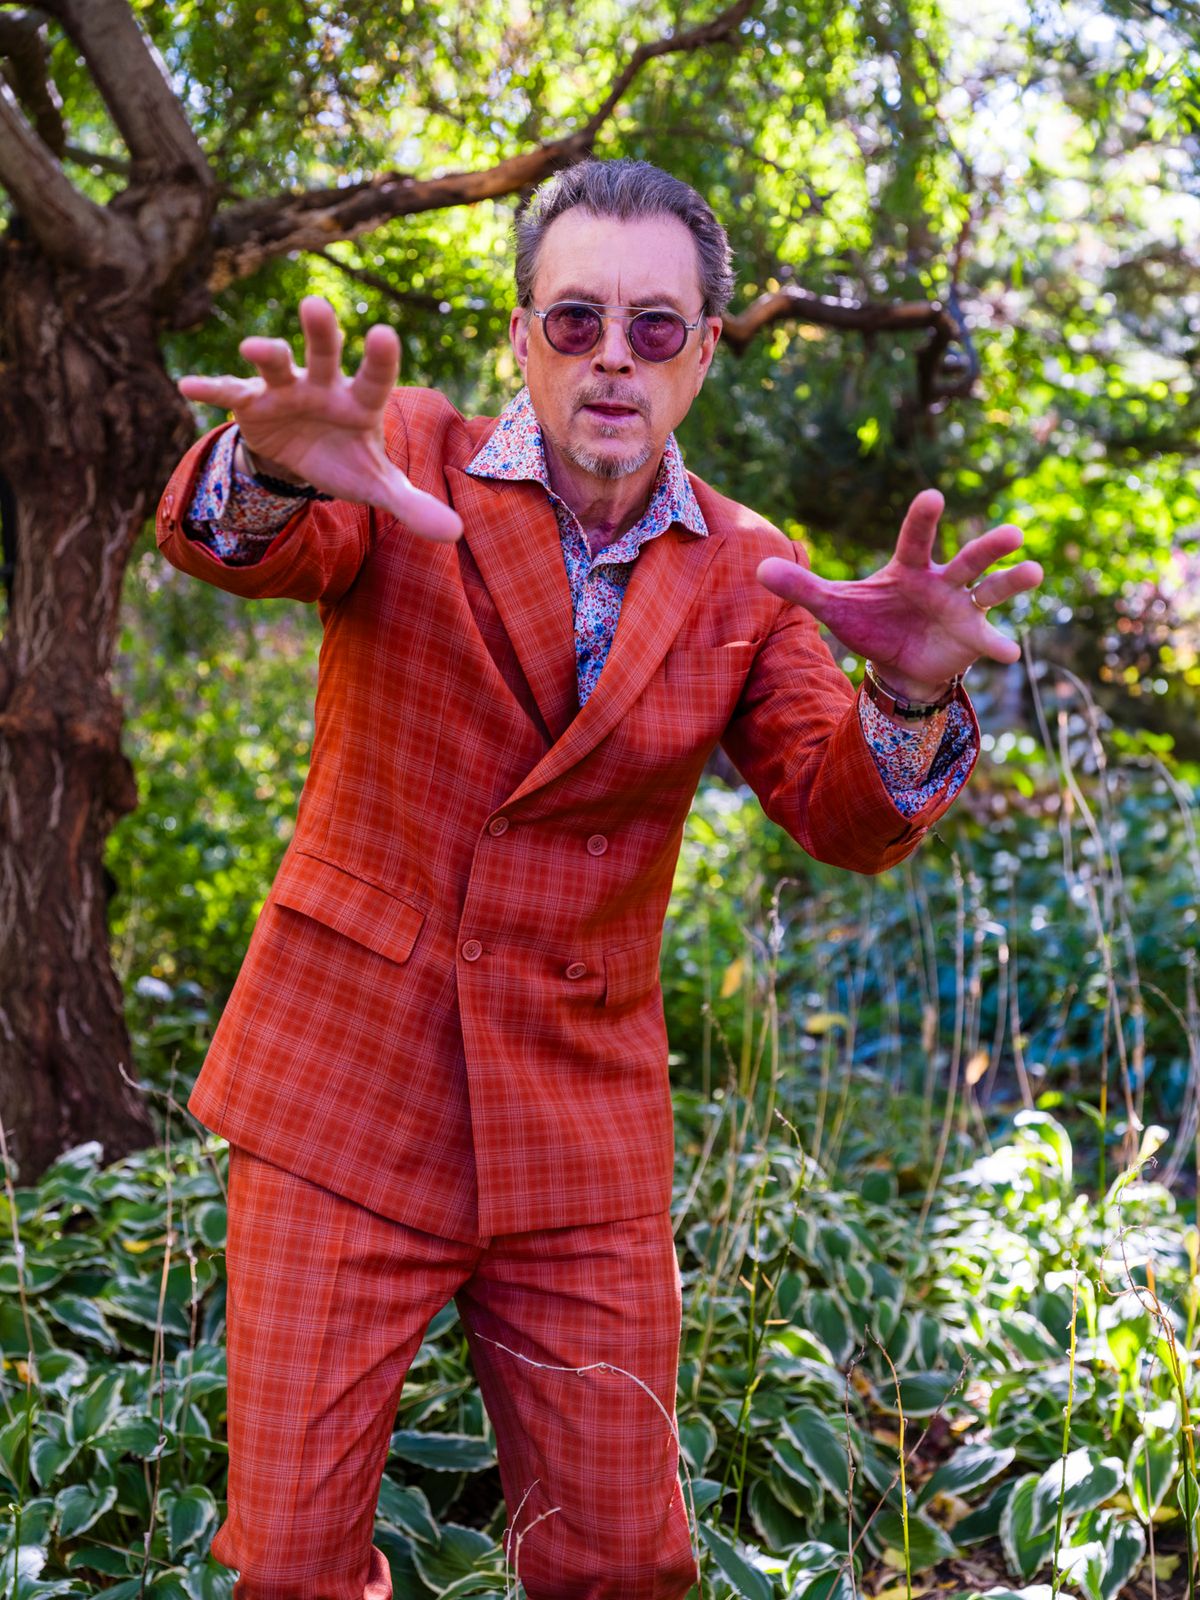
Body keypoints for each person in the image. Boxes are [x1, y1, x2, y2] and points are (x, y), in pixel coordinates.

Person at [157, 158, 1041, 1600]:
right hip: (344, 1091)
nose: (612, 358)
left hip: (577, 1123)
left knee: (625, 1561)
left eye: (653, 326)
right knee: (289, 1564)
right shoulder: (403, 455)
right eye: (576, 320)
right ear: (523, 336)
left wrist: (912, 695)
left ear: (702, 352)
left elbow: (837, 809)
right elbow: (244, 548)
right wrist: (268, 471)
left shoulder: (750, 568)